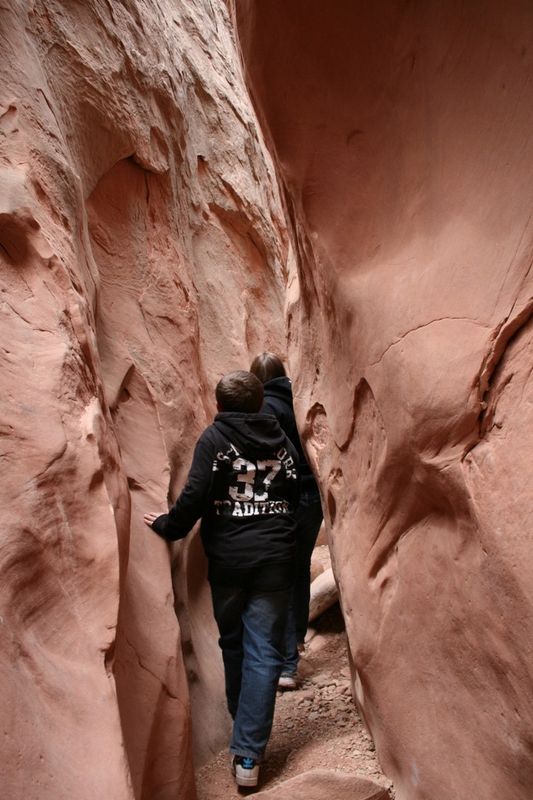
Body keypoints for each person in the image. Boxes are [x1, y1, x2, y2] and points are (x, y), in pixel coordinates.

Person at [143, 370, 299, 788]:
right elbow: (294, 493)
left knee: (233, 642)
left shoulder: (214, 440)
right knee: (264, 651)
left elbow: (195, 494)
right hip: (275, 558)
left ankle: (242, 731)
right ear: (260, 404)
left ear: (219, 405)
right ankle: (248, 751)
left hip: (230, 560)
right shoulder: (282, 441)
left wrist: (168, 526)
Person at [250, 353, 323, 689]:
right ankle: (296, 642)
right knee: (298, 571)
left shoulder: (265, 408)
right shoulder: (299, 398)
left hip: (287, 501)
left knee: (280, 578)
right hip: (312, 499)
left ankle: (287, 665)